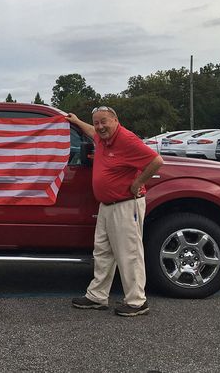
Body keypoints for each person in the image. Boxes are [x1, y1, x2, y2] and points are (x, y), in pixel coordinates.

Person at [65, 106, 163, 317]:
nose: (100, 126)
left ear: (115, 120)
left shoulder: (127, 140)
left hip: (125, 204)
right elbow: (91, 131)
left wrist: (138, 182)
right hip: (107, 206)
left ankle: (137, 302)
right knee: (102, 252)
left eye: (104, 122)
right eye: (97, 122)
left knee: (129, 254)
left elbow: (156, 161)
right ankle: (97, 296)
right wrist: (76, 121)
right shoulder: (102, 137)